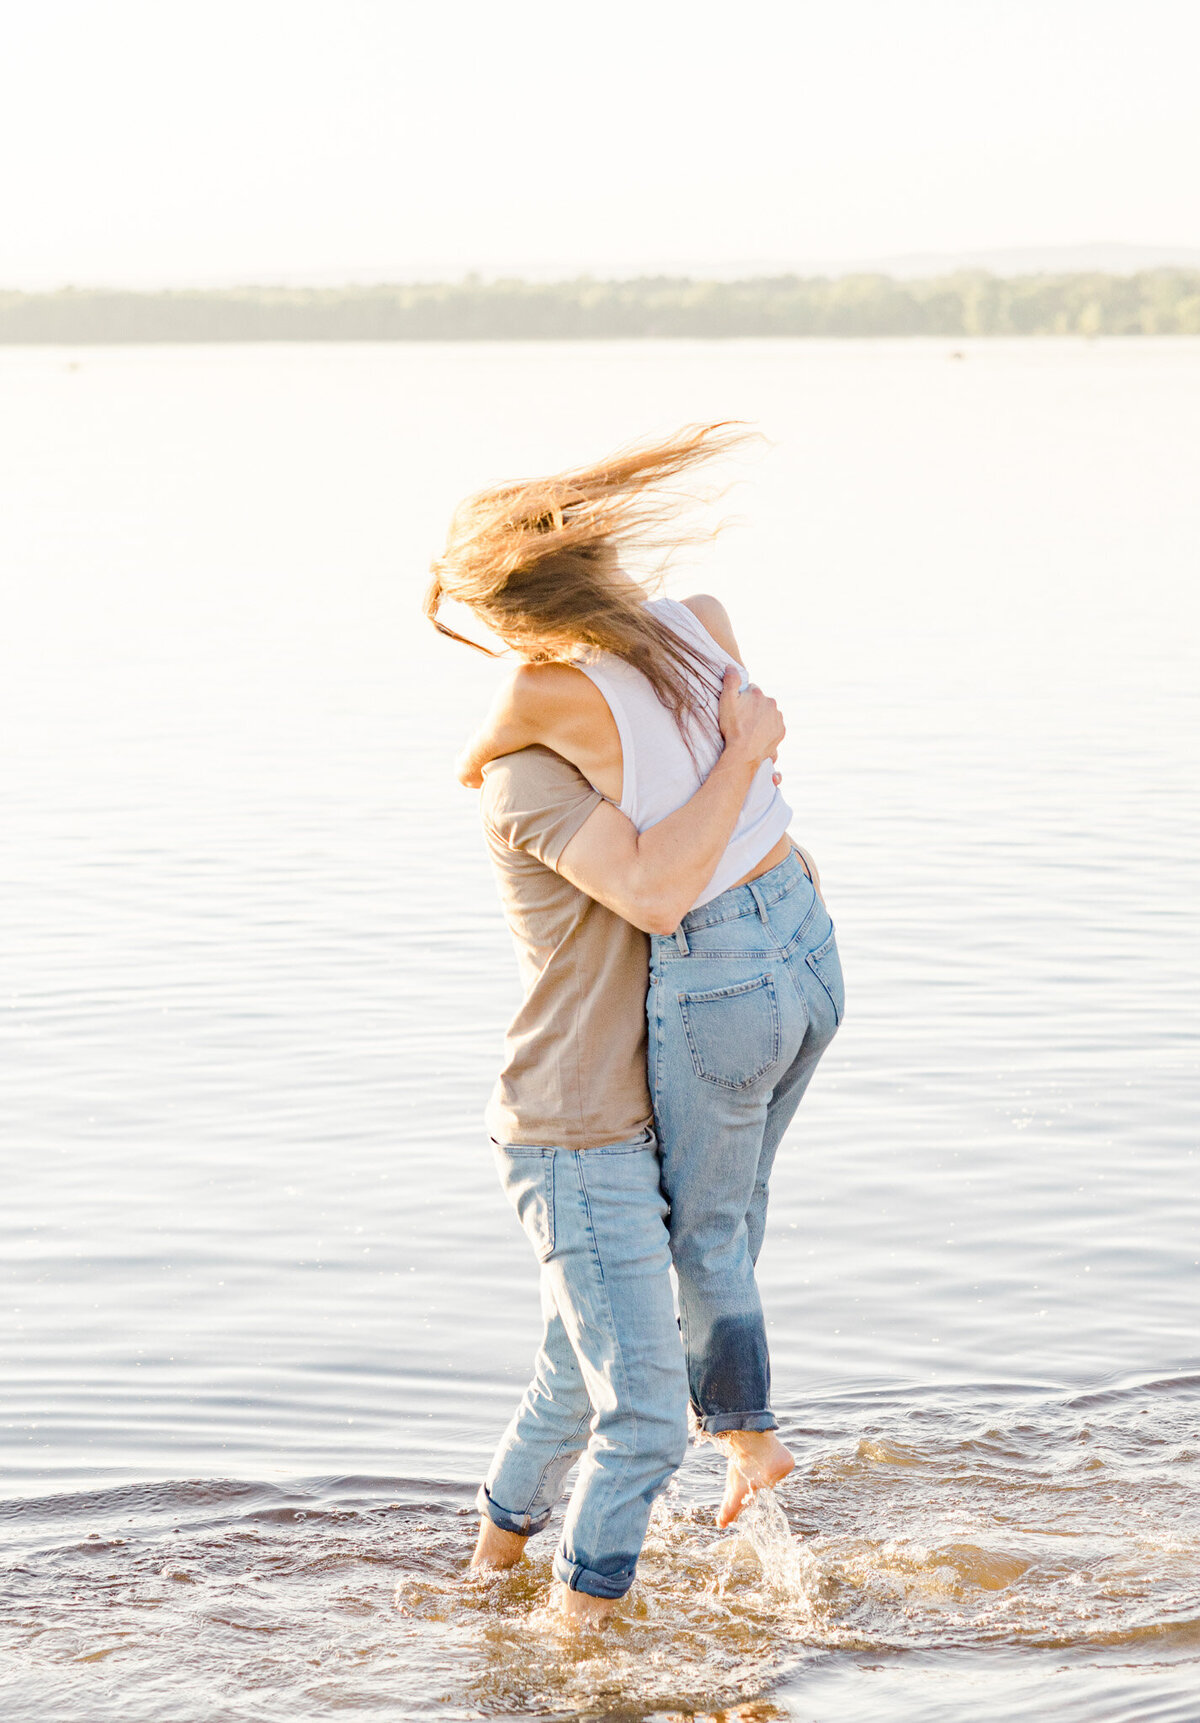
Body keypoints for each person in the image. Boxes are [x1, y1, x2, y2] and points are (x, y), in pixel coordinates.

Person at [428, 423, 844, 1534]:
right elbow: (705, 811)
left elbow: (680, 841)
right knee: (629, 1385)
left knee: (638, 1306)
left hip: (704, 1014)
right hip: (690, 1029)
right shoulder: (662, 656)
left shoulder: (588, 688)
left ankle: (729, 1439)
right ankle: (532, 1583)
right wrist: (747, 751)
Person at [462, 671, 786, 1625]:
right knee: (644, 1420)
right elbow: (653, 889)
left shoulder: (630, 762)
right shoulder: (530, 779)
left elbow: (708, 627)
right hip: (576, 1133)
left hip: (634, 1123)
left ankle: (483, 1580)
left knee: (568, 1376)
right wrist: (743, 750)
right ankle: (577, 1641)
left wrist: (743, 742)